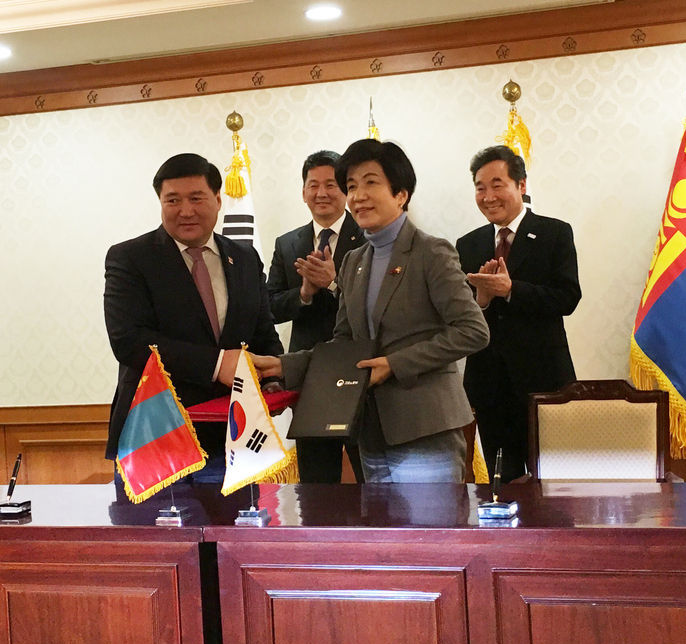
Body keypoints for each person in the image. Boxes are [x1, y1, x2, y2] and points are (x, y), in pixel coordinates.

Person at [266, 139, 488, 483]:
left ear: (401, 194)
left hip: (424, 428)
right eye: (352, 186)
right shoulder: (354, 261)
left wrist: (394, 364)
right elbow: (344, 345)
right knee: (379, 522)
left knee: (429, 521)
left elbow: (473, 331)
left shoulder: (431, 252)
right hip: (369, 431)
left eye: (370, 183)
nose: (358, 196)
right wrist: (283, 365)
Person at [104, 153, 282, 486]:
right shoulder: (130, 258)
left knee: (239, 522)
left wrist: (274, 381)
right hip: (156, 438)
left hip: (237, 436)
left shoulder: (244, 258)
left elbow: (263, 332)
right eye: (173, 200)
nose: (185, 211)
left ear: (218, 199)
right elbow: (128, 341)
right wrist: (218, 364)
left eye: (196, 198)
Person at [457, 145, 581, 482]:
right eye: (480, 188)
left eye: (497, 185)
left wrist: (511, 290)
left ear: (521, 185)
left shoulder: (555, 232)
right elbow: (459, 317)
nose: (488, 197)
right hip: (489, 385)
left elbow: (568, 298)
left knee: (552, 483)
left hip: (544, 381)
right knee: (503, 483)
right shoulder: (467, 244)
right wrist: (482, 300)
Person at [265, 149, 365, 481]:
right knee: (316, 481)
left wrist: (335, 283)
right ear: (303, 191)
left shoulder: (368, 236)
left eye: (330, 184)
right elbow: (269, 306)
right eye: (313, 185)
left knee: (370, 475)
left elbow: (377, 304)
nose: (321, 193)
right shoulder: (287, 243)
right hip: (308, 374)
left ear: (345, 190)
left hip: (359, 368)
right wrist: (305, 293)